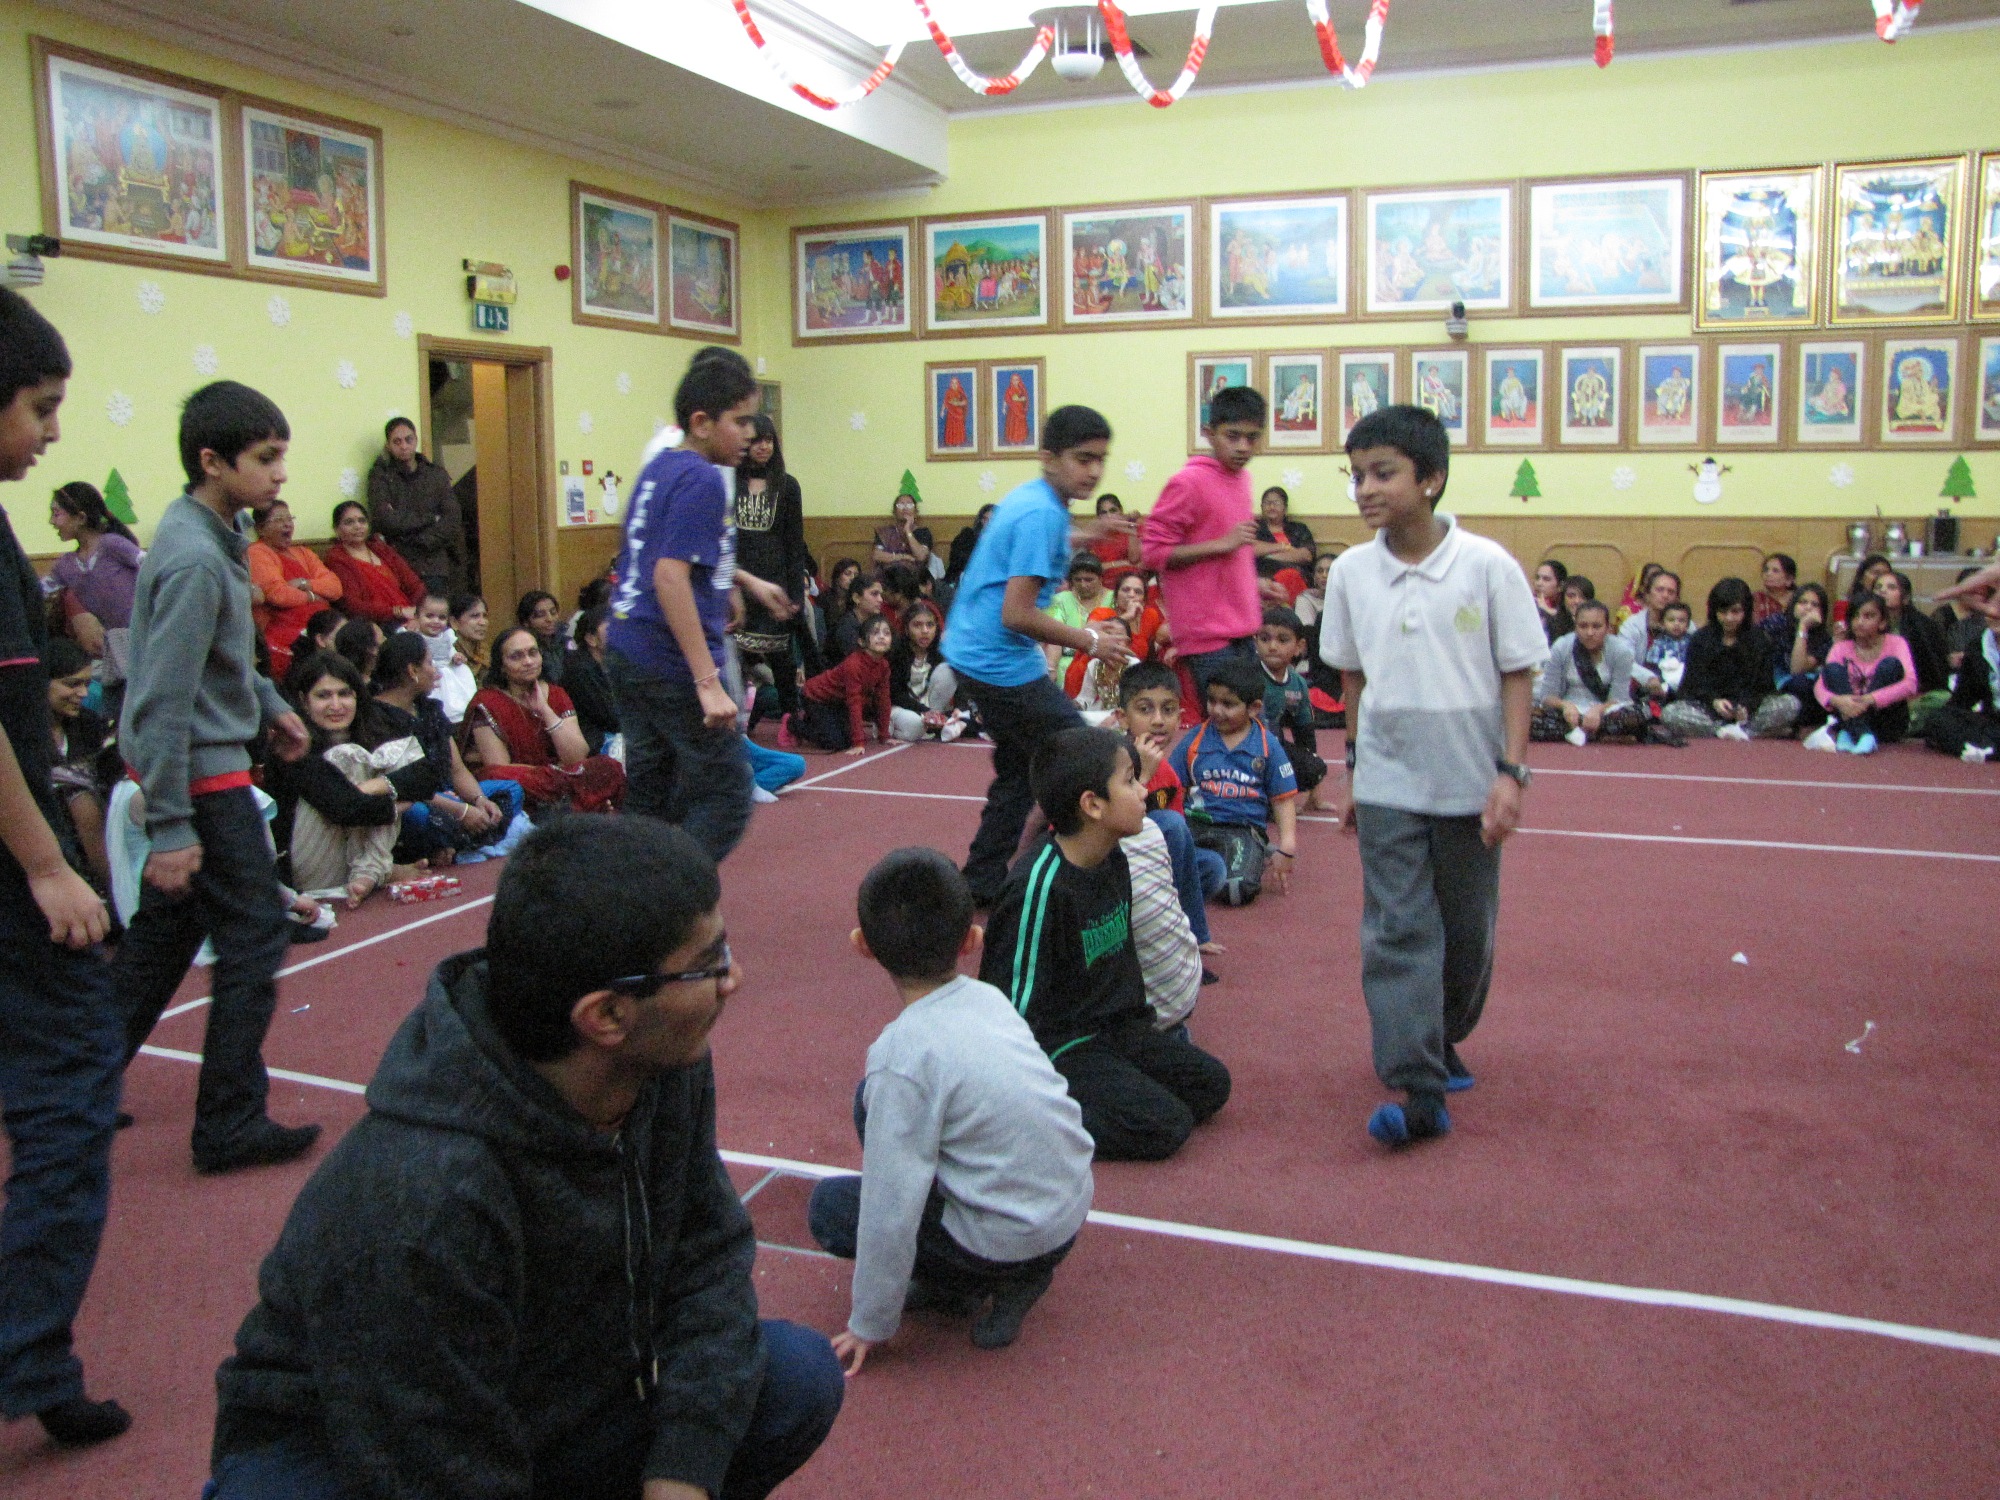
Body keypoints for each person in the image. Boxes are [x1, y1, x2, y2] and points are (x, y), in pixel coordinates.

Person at [205, 817, 844, 1499]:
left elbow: (706, 1256)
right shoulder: (420, 1196)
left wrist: (682, 1470)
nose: (733, 979)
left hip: (553, 1396)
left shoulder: (659, 1065)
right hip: (361, 1444)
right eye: (709, 963)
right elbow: (426, 1458)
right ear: (606, 1017)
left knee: (793, 1378)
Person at [1320, 404, 1547, 1150]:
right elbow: (1352, 678)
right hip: (1387, 782)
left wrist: (1510, 774)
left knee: (1467, 934)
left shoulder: (1486, 567)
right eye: (1356, 475)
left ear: (1432, 479)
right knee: (1397, 930)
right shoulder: (1352, 572)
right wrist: (1354, 768)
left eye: (1383, 473)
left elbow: (1519, 673)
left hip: (1469, 784)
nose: (1365, 489)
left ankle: (1442, 1035)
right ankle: (1416, 1080)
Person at [116, 379, 320, 1175]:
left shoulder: (211, 533)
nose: (278, 476)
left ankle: (72, 1081)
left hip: (208, 768)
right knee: (255, 937)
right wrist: (168, 825)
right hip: (202, 785)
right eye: (265, 459)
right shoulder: (199, 557)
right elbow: (162, 698)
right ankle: (229, 1121)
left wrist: (269, 702)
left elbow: (218, 663)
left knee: (161, 941)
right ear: (212, 461)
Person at [0, 289, 130, 1447]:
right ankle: (26, 1353)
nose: (49, 436)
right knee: (68, 1101)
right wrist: (47, 862)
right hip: (12, 878)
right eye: (39, 409)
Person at [807, 848, 1094, 1362]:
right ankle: (993, 1272)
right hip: (1067, 1213)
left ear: (862, 946)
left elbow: (888, 1207)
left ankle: (983, 1278)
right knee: (874, 1104)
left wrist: (870, 1322)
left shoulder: (901, 1055)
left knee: (832, 1209)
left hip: (1005, 1239)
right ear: (972, 941)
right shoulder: (991, 1000)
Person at [979, 728, 1230, 1161]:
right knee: (1165, 1124)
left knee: (1211, 1085)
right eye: (1131, 781)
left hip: (1113, 1029)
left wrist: (1139, 1035)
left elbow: (1121, 966)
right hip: (1058, 1047)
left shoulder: (1113, 857)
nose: (1143, 790)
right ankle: (1030, 1116)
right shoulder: (1037, 889)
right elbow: (1011, 1012)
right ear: (1093, 805)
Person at [941, 405, 1134, 907]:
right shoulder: (1040, 512)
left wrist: (1090, 534)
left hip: (980, 651)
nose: (1093, 470)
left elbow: (1036, 549)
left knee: (1020, 772)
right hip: (996, 660)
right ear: (1049, 457)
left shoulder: (1040, 502)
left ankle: (979, 884)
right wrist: (1092, 641)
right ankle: (1076, 877)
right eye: (1083, 458)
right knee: (1081, 758)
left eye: (1101, 460)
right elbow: (1017, 614)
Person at [607, 350, 791, 864]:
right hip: (665, 658)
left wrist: (740, 579)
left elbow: (658, 555)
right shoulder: (703, 478)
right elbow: (669, 576)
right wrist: (706, 681)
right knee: (728, 795)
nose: (750, 436)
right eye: (739, 423)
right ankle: (670, 901)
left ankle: (624, 905)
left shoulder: (659, 467)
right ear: (701, 423)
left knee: (654, 794)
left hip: (627, 647)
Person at [1141, 385, 1269, 696]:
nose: (1243, 447)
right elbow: (1152, 553)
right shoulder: (1188, 482)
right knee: (1233, 728)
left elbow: (1231, 555)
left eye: (1252, 437)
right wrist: (1222, 544)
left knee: (1249, 728)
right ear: (1209, 433)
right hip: (1206, 635)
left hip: (1242, 628)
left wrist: (1254, 585)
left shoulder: (1242, 479)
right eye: (1233, 435)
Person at [269, 652, 420, 906]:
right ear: (303, 702)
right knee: (349, 757)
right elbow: (343, 808)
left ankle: (369, 872)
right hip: (305, 867)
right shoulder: (292, 745)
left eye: (344, 694)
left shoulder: (371, 729)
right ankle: (376, 871)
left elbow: (423, 775)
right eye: (323, 695)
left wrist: (373, 787)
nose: (336, 705)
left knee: (400, 754)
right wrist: (395, 804)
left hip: (349, 838)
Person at [368, 632, 517, 868]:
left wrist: (478, 800)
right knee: (416, 815)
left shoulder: (429, 711)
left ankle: (449, 844)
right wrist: (460, 810)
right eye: (429, 662)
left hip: (450, 796)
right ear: (412, 670)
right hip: (418, 801)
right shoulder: (376, 718)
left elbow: (456, 770)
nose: (435, 670)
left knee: (510, 788)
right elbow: (405, 788)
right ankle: (445, 844)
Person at [1112, 661, 1225, 958]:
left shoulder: (1169, 773)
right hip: (1111, 864)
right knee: (1169, 823)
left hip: (1151, 869)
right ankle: (1183, 935)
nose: (1159, 720)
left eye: (1169, 710)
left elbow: (1182, 849)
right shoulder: (1110, 761)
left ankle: (1166, 920)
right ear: (1123, 717)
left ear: (1180, 716)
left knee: (1213, 866)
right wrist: (1143, 777)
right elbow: (1110, 828)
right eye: (1145, 710)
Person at [1167, 654, 1299, 907]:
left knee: (1237, 890)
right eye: (1212, 701)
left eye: (1228, 704)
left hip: (1240, 830)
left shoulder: (1266, 745)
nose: (1217, 710)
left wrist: (1287, 847)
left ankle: (1253, 852)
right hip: (1196, 826)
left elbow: (1283, 800)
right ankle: (1210, 862)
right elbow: (1172, 786)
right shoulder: (1196, 740)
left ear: (1254, 708)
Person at [466, 625, 624, 812]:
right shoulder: (487, 702)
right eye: (516, 656)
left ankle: (576, 801)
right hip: (524, 786)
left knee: (609, 767)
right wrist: (557, 773)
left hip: (561, 779)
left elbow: (577, 756)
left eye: (533, 653)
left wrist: (545, 710)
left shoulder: (557, 694)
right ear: (501, 666)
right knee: (498, 776)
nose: (528, 661)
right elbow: (500, 769)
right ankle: (581, 803)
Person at [733, 414, 809, 728]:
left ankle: (793, 721)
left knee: (782, 659)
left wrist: (795, 595)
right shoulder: (727, 482)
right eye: (756, 440)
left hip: (775, 583)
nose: (763, 447)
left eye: (768, 440)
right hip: (737, 586)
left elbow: (795, 544)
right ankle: (738, 725)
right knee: (736, 660)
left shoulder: (787, 486)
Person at [1661, 578, 1801, 740]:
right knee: (1671, 713)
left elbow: (1764, 687)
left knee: (1791, 704)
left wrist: (1746, 706)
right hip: (1708, 710)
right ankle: (1729, 731)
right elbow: (1692, 685)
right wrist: (1714, 701)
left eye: (1735, 612)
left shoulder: (1759, 640)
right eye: (1723, 612)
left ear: (1746, 611)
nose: (1728, 618)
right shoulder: (1700, 639)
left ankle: (1739, 731)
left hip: (1748, 711)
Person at [45, 480, 142, 684]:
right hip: (116, 646)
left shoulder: (112, 546)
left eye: (57, 513)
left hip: (145, 636)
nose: (52, 521)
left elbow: (153, 567)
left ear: (80, 517)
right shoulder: (67, 565)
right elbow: (38, 591)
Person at [366, 416, 466, 597]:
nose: (404, 446)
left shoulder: (436, 475)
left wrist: (423, 541)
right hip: (399, 562)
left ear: (416, 440)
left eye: (408, 439)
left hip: (434, 562)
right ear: (388, 445)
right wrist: (429, 518)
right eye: (397, 441)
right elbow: (386, 519)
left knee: (436, 618)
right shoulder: (380, 477)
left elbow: (452, 518)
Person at [247, 500, 344, 679]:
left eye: (289, 518)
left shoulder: (303, 553)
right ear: (260, 529)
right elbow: (279, 595)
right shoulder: (258, 552)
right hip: (284, 630)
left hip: (324, 623)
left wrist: (305, 584)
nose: (287, 524)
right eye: (278, 520)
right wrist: (315, 596)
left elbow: (335, 588)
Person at [1533, 600, 1645, 743]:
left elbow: (1620, 698)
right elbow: (1547, 696)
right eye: (1583, 626)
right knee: (1529, 717)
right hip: (1567, 714)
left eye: (1597, 626)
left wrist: (1599, 710)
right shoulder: (1561, 647)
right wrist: (1565, 705)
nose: (1590, 632)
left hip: (1606, 713)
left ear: (1608, 628)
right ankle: (1597, 735)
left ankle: (1576, 733)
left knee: (1637, 716)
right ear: (1575, 626)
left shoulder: (1621, 651)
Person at [1816, 595, 1917, 753]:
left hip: (1885, 719)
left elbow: (1910, 684)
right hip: (1848, 712)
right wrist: (1838, 701)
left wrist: (1870, 699)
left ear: (1882, 622)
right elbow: (1820, 686)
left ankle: (1852, 732)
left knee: (1890, 665)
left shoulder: (1897, 643)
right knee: (1832, 669)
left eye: (1868, 616)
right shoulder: (1840, 647)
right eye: (1855, 616)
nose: (1860, 622)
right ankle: (1861, 733)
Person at [786, 615, 893, 756]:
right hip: (815, 697)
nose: (881, 637)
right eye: (875, 633)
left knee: (847, 738)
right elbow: (854, 701)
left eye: (886, 633)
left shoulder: (884, 665)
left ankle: (813, 720)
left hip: (838, 701)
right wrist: (858, 742)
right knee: (836, 743)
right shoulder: (854, 664)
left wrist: (884, 736)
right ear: (861, 641)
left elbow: (883, 699)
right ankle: (793, 723)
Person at [1253, 606, 1326, 797]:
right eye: (1265, 639)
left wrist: (1314, 794)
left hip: (1274, 746)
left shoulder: (1297, 684)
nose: (1272, 646)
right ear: (1255, 641)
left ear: (1299, 647)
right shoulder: (1250, 676)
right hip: (1246, 748)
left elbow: (1305, 735)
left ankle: (1276, 794)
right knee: (1271, 738)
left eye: (1282, 640)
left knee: (1314, 767)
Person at [319, 499, 423, 626]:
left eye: (362, 521)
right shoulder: (337, 559)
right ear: (336, 529)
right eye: (349, 522)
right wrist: (397, 612)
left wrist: (418, 613)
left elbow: (414, 585)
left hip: (412, 616)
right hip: (376, 623)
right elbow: (353, 606)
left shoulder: (382, 550)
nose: (357, 526)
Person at [1923, 594, 2000, 758]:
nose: (1995, 614)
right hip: (1992, 722)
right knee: (1938, 720)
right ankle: (1985, 749)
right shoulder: (1978, 647)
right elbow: (1962, 700)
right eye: (1992, 609)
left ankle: (1985, 749)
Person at [1874, 569, 1952, 730]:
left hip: (1911, 697)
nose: (1883, 591)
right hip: (1870, 693)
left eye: (1891, 587)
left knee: (1943, 699)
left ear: (1906, 598)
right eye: (1878, 587)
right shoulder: (1861, 623)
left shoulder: (1923, 627)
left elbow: (1932, 673)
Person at [886, 600, 959, 742]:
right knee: (915, 726)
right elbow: (896, 694)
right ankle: (889, 726)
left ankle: (934, 724)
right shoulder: (895, 653)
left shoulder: (940, 652)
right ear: (906, 629)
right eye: (917, 625)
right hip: (901, 707)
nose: (925, 631)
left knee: (949, 670)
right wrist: (925, 712)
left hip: (929, 708)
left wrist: (957, 711)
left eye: (930, 625)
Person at [1766, 583, 1834, 728]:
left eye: (1814, 605)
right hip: (1776, 682)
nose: (1808, 608)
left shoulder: (1824, 639)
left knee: (1809, 685)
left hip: (1805, 683)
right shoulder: (1776, 623)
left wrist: (1803, 627)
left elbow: (1797, 669)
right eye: (1803, 602)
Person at [564, 602, 620, 755]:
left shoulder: (613, 663)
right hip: (594, 742)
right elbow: (611, 718)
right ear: (591, 639)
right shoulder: (581, 670)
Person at [1620, 568, 1681, 702]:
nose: (1665, 596)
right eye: (1660, 590)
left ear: (1677, 598)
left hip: (1677, 693)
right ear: (1647, 594)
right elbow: (1624, 661)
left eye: (1671, 592)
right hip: (1639, 691)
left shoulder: (1687, 626)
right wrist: (1649, 678)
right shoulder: (1632, 625)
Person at [1251, 484, 1315, 584]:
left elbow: (1305, 556)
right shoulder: (1254, 527)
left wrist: (1265, 554)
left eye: (1276, 503)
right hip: (1264, 580)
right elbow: (1250, 549)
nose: (1271, 507)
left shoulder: (1299, 528)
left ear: (1285, 508)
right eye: (1267, 503)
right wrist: (1283, 547)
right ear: (1261, 507)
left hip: (1297, 579)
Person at [871, 489, 933, 574]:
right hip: (888, 577)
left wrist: (908, 531)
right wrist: (903, 557)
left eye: (909, 505)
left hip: (915, 577)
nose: (905, 508)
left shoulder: (923, 532)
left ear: (915, 512)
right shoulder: (884, 532)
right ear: (894, 511)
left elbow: (921, 556)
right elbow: (877, 555)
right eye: (900, 505)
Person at [517, 589, 568, 687]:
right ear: (526, 622)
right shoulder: (524, 649)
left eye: (553, 612)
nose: (549, 619)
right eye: (540, 615)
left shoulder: (566, 642)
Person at [831, 573, 886, 662]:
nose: (880, 600)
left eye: (881, 595)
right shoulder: (845, 627)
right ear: (856, 598)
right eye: (874, 594)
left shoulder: (879, 620)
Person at [942, 506, 994, 590]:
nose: (989, 524)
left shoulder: (1002, 542)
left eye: (993, 520)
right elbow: (957, 560)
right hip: (961, 581)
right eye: (985, 519)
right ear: (981, 520)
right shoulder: (967, 535)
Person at [1087, 493, 1141, 571]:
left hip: (1131, 579)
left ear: (1121, 511)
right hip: (1103, 580)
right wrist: (1122, 563)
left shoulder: (1134, 529)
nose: (1109, 516)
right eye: (1104, 512)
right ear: (1099, 517)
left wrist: (1132, 525)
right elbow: (1094, 567)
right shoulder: (1096, 536)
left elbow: (1135, 560)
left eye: (1113, 511)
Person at [1532, 559, 1572, 644]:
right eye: (1537, 578)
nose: (1539, 583)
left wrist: (1548, 611)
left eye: (1546, 579)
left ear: (1560, 586)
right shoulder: (1528, 604)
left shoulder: (1567, 609)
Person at [1754, 553, 1798, 626]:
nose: (1768, 574)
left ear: (1789, 579)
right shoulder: (1756, 599)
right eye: (1766, 570)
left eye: (1775, 571)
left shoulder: (1798, 600)